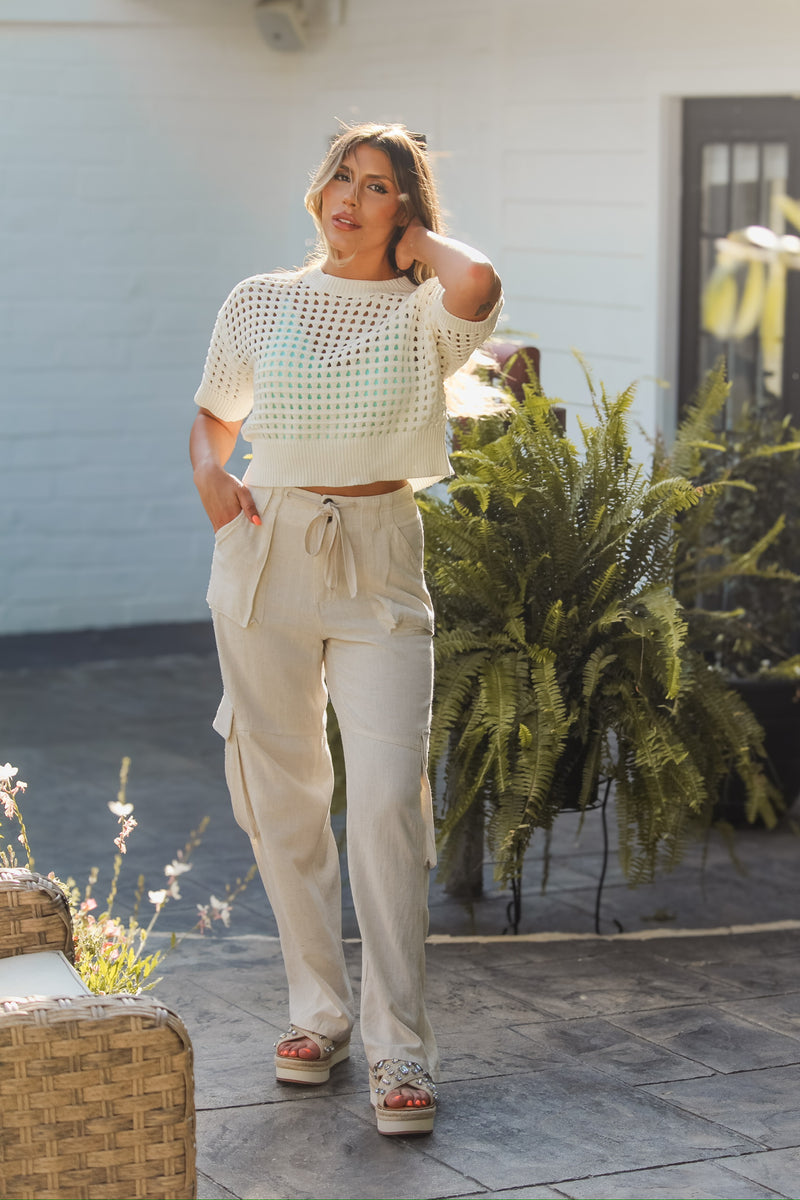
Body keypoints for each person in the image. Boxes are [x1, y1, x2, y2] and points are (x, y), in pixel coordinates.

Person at [189, 122, 502, 1135]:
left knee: (382, 805)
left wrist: (417, 246)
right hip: (267, 545)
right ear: (314, 187)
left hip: (378, 558)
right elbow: (215, 416)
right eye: (339, 176)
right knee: (282, 796)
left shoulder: (425, 316)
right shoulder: (261, 300)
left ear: (404, 211)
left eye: (377, 187)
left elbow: (479, 280)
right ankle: (317, 1014)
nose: (348, 198)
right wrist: (207, 472)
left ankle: (398, 1045)